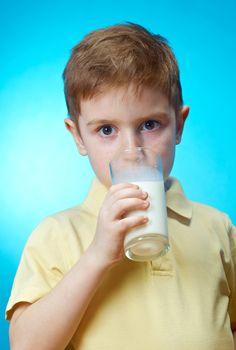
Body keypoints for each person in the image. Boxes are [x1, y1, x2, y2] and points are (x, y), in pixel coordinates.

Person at [6, 23, 236, 350]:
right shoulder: (57, 234)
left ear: (179, 125)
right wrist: (97, 256)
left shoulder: (218, 228)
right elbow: (26, 346)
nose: (132, 149)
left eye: (150, 124)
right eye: (106, 130)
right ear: (78, 136)